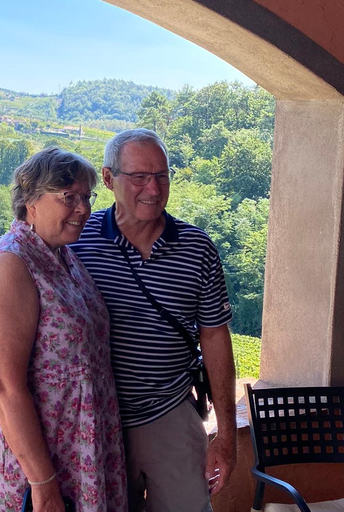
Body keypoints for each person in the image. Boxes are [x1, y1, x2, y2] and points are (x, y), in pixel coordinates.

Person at [0, 148, 126, 512]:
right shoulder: (13, 265)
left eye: (86, 197)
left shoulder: (59, 254)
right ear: (31, 202)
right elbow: (5, 387)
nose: (83, 208)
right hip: (26, 465)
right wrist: (43, 483)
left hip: (68, 448)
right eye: (68, 197)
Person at [71, 128, 236, 512]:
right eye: (139, 176)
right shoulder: (78, 241)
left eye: (162, 175)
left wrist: (226, 437)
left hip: (171, 415)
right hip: (97, 422)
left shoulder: (197, 248)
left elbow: (215, 338)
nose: (154, 187)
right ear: (109, 179)